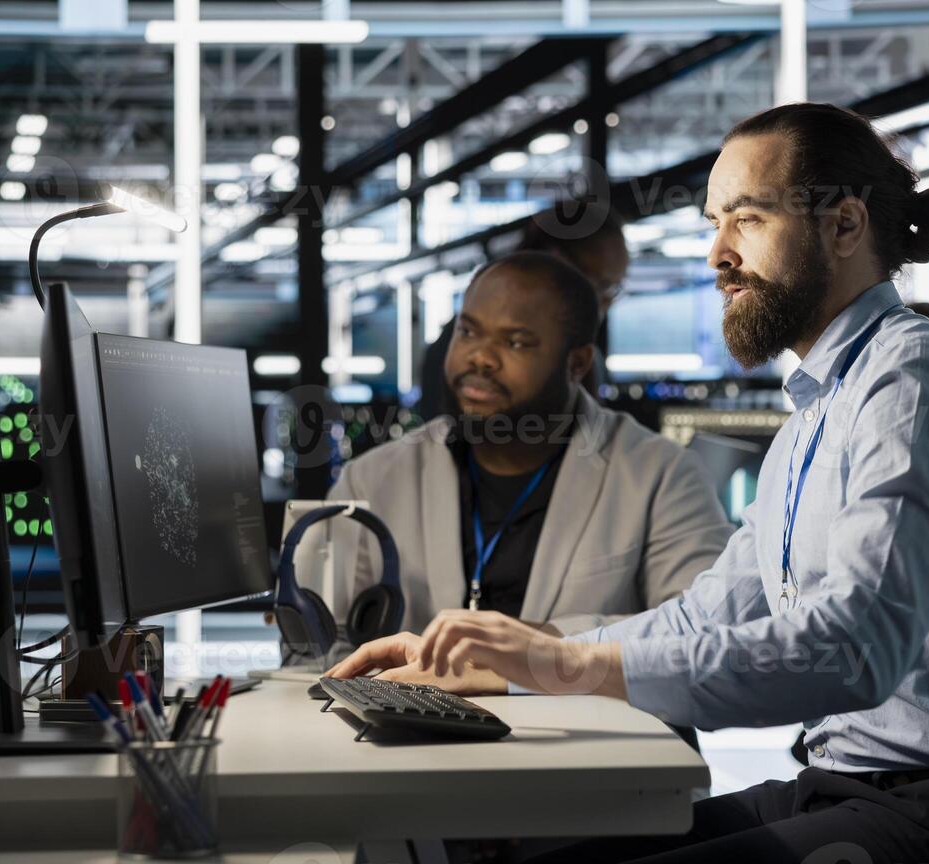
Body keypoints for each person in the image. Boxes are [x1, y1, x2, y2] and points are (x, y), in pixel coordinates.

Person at [327, 103, 929, 864]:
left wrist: (564, 660)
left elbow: (854, 649)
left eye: (746, 220)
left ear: (844, 225)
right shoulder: (813, 417)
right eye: (716, 224)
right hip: (850, 790)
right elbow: (707, 613)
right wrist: (512, 664)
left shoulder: (918, 381)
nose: (718, 255)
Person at [292, 249, 732, 658]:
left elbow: (708, 635)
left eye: (517, 342)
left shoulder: (661, 475)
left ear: (576, 364)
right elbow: (313, 649)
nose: (481, 357)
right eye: (468, 331)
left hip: (591, 737)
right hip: (420, 739)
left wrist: (535, 646)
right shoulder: (371, 479)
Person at [415, 200, 629, 421]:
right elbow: (442, 441)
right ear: (558, 263)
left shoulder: (589, 361)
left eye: (614, 288)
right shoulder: (455, 352)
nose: (607, 301)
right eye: (603, 285)